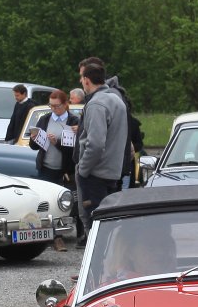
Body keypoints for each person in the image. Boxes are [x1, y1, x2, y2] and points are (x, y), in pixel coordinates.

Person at [76, 59, 128, 245]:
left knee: (93, 224)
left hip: (95, 174)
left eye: (81, 78)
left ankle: (95, 263)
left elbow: (96, 144)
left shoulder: (97, 104)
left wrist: (83, 169)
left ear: (87, 80)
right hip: (112, 173)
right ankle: (107, 261)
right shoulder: (117, 100)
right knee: (108, 225)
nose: (81, 82)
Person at [28, 89, 79, 250]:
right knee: (45, 202)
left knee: (68, 203)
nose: (54, 109)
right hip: (46, 167)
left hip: (66, 170)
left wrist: (57, 142)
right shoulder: (45, 119)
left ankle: (73, 236)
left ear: (65, 104)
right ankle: (47, 236)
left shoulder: (74, 121)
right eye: (51, 106)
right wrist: (35, 138)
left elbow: (75, 149)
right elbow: (33, 146)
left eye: (57, 106)